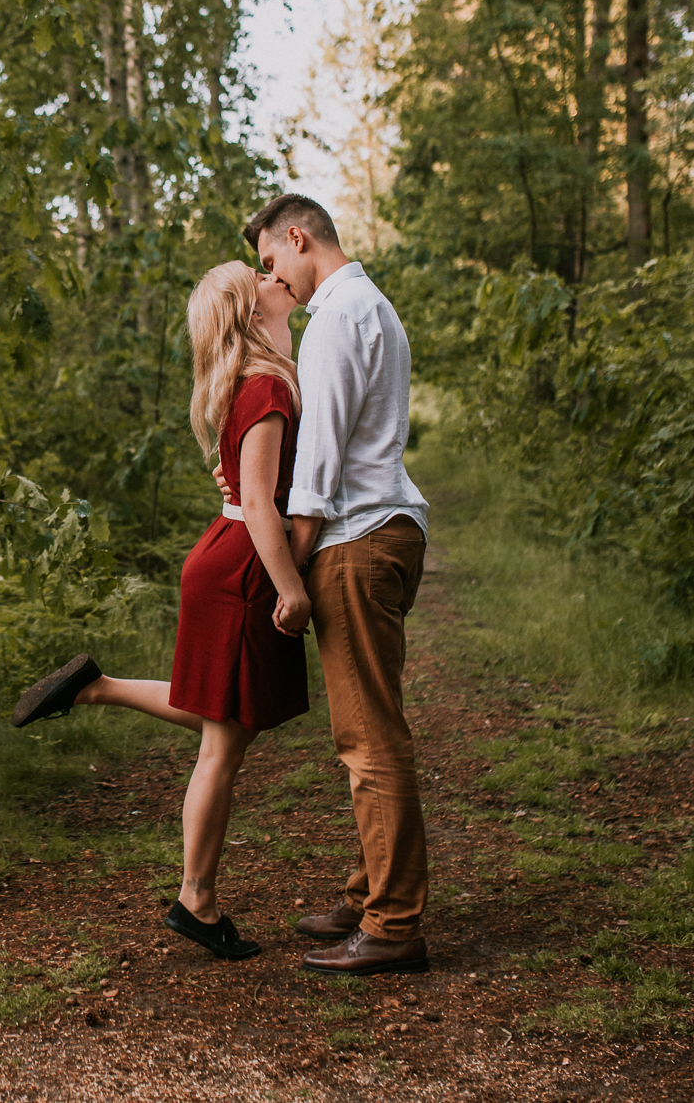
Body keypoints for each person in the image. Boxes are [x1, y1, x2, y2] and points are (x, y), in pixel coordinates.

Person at [10, 261, 309, 961]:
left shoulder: (256, 378)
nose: (276, 275)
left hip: (225, 552)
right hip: (243, 564)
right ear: (247, 307)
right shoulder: (264, 384)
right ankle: (195, 900)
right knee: (223, 744)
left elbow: (252, 480)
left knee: (221, 713)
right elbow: (262, 501)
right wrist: (291, 588)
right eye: (260, 274)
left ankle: (96, 686)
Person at [240, 191, 433, 977]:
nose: (272, 279)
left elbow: (316, 468)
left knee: (369, 738)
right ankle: (367, 893)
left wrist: (287, 569)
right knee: (366, 725)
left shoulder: (331, 323)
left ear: (297, 237)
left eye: (270, 262)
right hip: (385, 528)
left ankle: (393, 924)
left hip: (355, 539)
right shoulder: (373, 305)